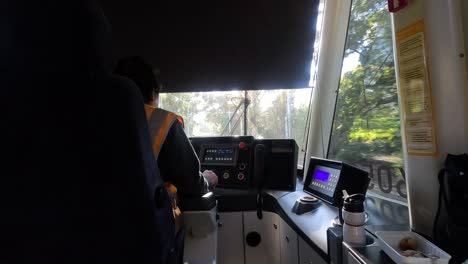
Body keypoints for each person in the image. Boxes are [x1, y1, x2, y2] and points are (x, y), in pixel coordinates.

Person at [114, 57, 218, 205]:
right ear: (153, 91)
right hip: (144, 222)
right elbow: (192, 184)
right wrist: (207, 179)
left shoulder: (89, 120)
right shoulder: (162, 122)